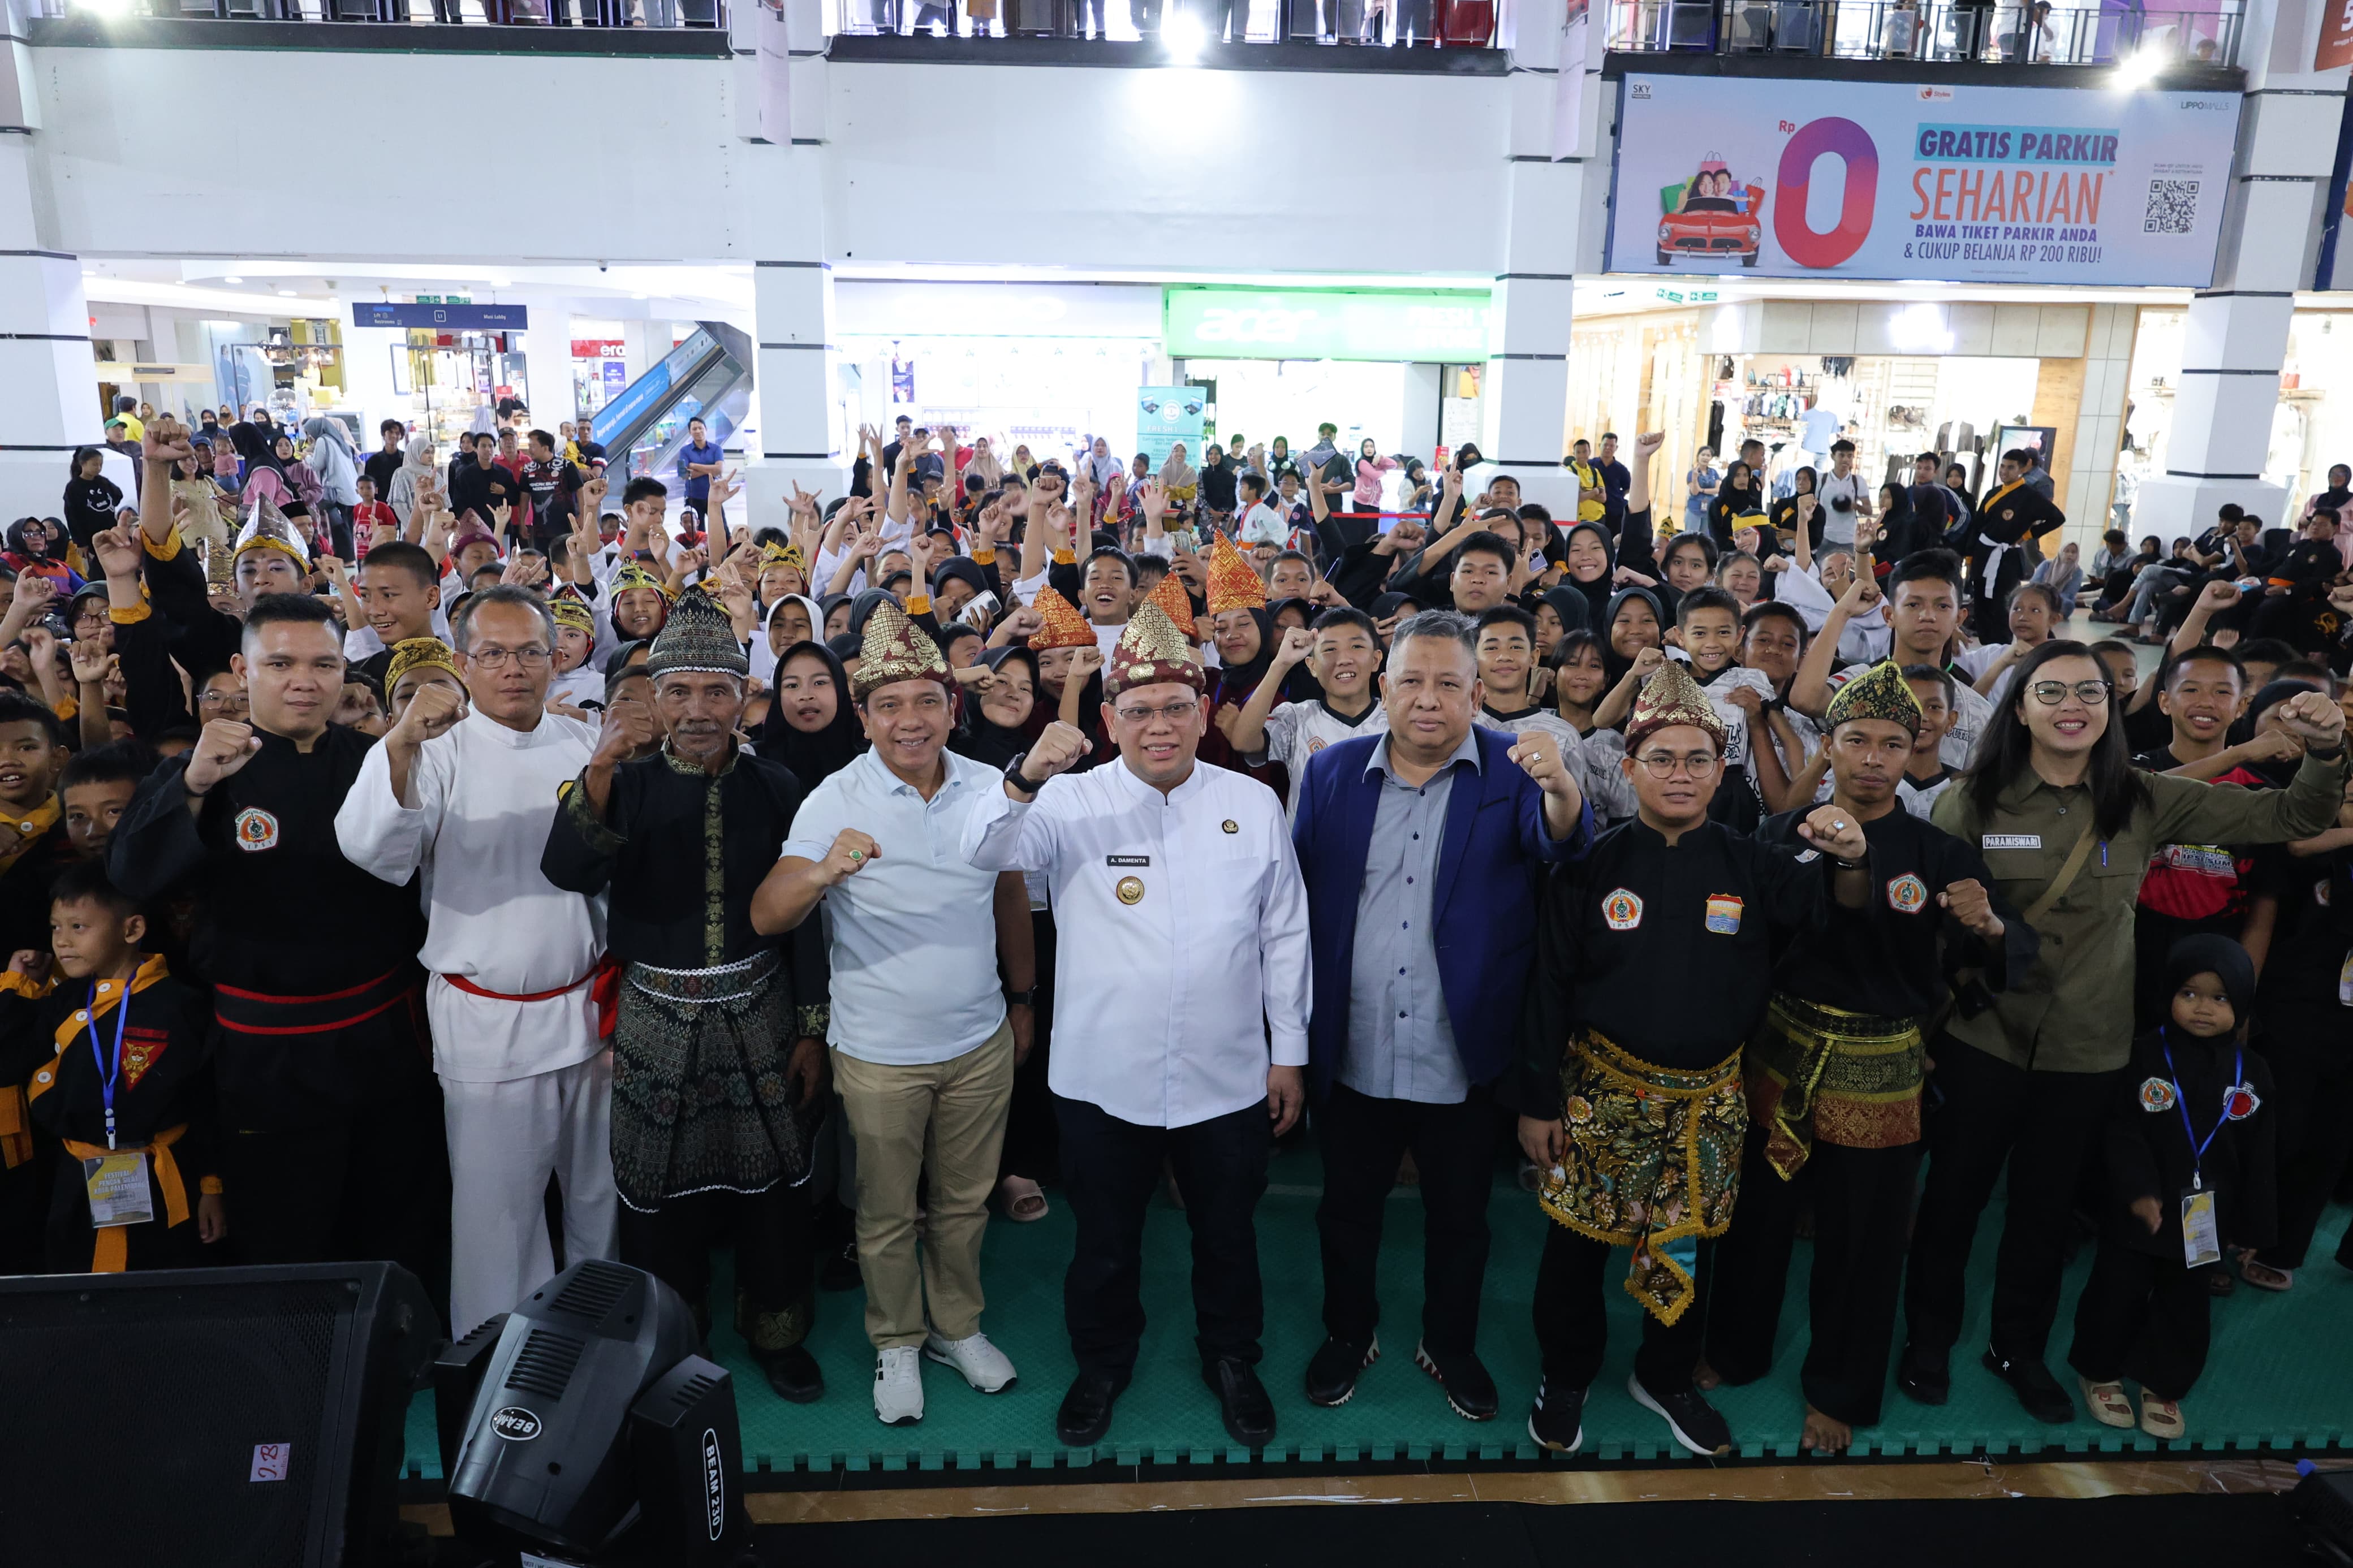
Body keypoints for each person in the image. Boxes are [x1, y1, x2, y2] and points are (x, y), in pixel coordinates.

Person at [1899, 642, 2347, 1424]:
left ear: (2111, 708)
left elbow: (2294, 814)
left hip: (2087, 1049)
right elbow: (1939, 940)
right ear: (2022, 706)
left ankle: (2017, 1350)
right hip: (1987, 1040)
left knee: (2043, 1214)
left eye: (2090, 691)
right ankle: (1928, 1342)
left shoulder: (2144, 798)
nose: (2072, 704)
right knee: (1953, 1201)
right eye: (2051, 690)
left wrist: (2328, 748)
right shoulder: (1971, 803)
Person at [961, 603, 1311, 1450]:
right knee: (1106, 1240)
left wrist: (1289, 1054)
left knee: (1227, 1233)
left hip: (1227, 1074)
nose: (1160, 726)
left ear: (1203, 713)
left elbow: (1286, 931)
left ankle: (1232, 1358)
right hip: (1100, 1076)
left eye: (1177, 708)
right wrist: (1024, 776)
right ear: (1110, 719)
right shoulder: (1069, 800)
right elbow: (980, 852)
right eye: (1141, 711)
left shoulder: (1251, 802)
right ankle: (1102, 1363)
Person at [1510, 660, 1863, 1458]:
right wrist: (1537, 1101)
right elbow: (1547, 990)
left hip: (1709, 1100)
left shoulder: (1756, 864)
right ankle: (1565, 1375)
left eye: (1697, 759)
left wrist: (1849, 857)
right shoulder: (1588, 868)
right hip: (1598, 1094)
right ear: (1628, 768)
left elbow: (1829, 923)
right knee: (1575, 1247)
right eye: (1661, 759)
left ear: (1721, 770)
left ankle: (1665, 1376)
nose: (1680, 774)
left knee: (1686, 1243)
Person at [1701, 662, 2031, 1454]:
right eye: (1857, 740)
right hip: (1781, 1050)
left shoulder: (1938, 849)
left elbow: (2006, 951)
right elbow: (1745, 948)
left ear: (1917, 744)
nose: (1875, 758)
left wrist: (1989, 927)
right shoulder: (1783, 833)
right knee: (1757, 1222)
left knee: (1865, 1240)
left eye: (1893, 742)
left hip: (1884, 1066)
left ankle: (1839, 1389)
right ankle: (1736, 1350)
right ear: (1830, 744)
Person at [1291, 610, 1590, 1421]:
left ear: (1481, 691)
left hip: (1463, 1050)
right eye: (1413, 682)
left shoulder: (1516, 770)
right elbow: (1296, 910)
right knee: (1346, 1210)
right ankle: (1348, 1333)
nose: (1429, 700)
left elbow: (1560, 844)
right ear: (1384, 687)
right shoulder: (1329, 775)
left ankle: (1448, 1343)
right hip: (1353, 1045)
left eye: (1449, 684)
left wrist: (1561, 784)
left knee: (1462, 1218)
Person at [540, 589, 830, 1398]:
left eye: (715, 691)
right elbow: (566, 870)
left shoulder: (776, 787)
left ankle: (777, 1333)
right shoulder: (618, 784)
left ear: (744, 696)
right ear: (653, 700)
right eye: (678, 692)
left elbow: (805, 919)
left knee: (773, 1179)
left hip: (760, 1008)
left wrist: (811, 1028)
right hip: (656, 1012)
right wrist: (598, 763)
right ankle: (674, 1337)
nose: (697, 709)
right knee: (655, 1190)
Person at [108, 594, 444, 1289]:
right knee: (285, 1227)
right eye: (281, 663)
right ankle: (297, 1374)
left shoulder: (383, 757)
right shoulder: (201, 769)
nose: (304, 680)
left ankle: (401, 1354)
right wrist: (196, 784)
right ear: (242, 667)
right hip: (267, 1054)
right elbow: (132, 875)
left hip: (384, 1035)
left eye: (323, 663)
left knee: (397, 1209)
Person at [756, 602, 1036, 1425]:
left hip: (979, 1036)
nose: (909, 721)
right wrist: (822, 872)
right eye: (889, 705)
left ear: (954, 707)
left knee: (962, 1200)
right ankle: (897, 1341)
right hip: (877, 1047)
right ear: (864, 716)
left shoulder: (991, 785)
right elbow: (771, 914)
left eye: (926, 702)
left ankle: (958, 1326)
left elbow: (1011, 893)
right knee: (883, 1210)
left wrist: (1022, 1001)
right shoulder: (833, 798)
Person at [334, 586, 617, 1340]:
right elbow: (375, 850)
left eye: (530, 650)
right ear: (463, 662)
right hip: (488, 1016)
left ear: (556, 658)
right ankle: (500, 1372)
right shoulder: (432, 749)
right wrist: (397, 742)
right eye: (492, 652)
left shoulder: (586, 743)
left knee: (598, 1197)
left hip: (591, 1007)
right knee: (499, 1214)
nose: (514, 668)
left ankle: (600, 1346)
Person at [2068, 934, 2272, 1440]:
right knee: (2117, 1292)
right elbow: (2122, 1128)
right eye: (2189, 993)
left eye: (2219, 997)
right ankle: (2099, 1369)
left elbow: (2261, 1155)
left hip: (2205, 1218)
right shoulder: (2144, 1055)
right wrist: (2138, 1188)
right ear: (2168, 996)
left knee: (2185, 1303)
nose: (2202, 1008)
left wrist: (2252, 1223)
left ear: (2242, 1003)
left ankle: (2164, 1381)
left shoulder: (2254, 1073)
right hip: (2141, 1211)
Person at [0, 861, 224, 1273]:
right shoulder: (65, 999)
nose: (62, 942)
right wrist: (18, 986)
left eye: (79, 927)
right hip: (76, 1176)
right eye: (55, 927)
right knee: (77, 1288)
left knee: (160, 1290)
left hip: (164, 1176)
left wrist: (211, 1186)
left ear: (132, 930)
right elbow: (8, 1060)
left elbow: (205, 1097)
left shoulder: (180, 1004)